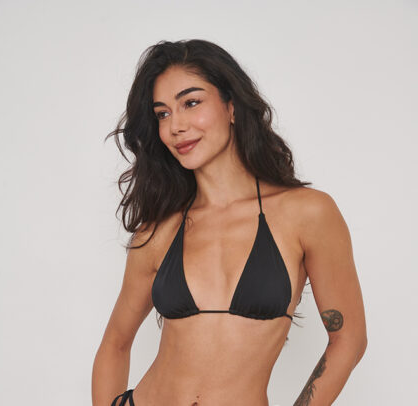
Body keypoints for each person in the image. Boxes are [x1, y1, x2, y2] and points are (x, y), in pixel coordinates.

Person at [92, 39, 367, 406]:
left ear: (232, 106)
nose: (176, 126)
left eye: (191, 103)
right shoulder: (159, 230)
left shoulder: (307, 213)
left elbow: (349, 340)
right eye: (162, 114)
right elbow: (116, 342)